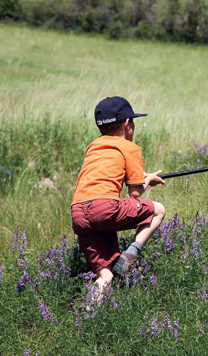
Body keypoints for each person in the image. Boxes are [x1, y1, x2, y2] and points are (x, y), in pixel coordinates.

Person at [70, 96, 165, 292]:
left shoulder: (93, 147)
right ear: (127, 123)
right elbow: (136, 192)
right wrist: (147, 180)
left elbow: (103, 178)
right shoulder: (129, 148)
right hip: (103, 208)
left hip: (78, 213)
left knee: (105, 275)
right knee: (158, 210)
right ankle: (128, 258)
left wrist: (141, 177)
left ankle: (88, 315)